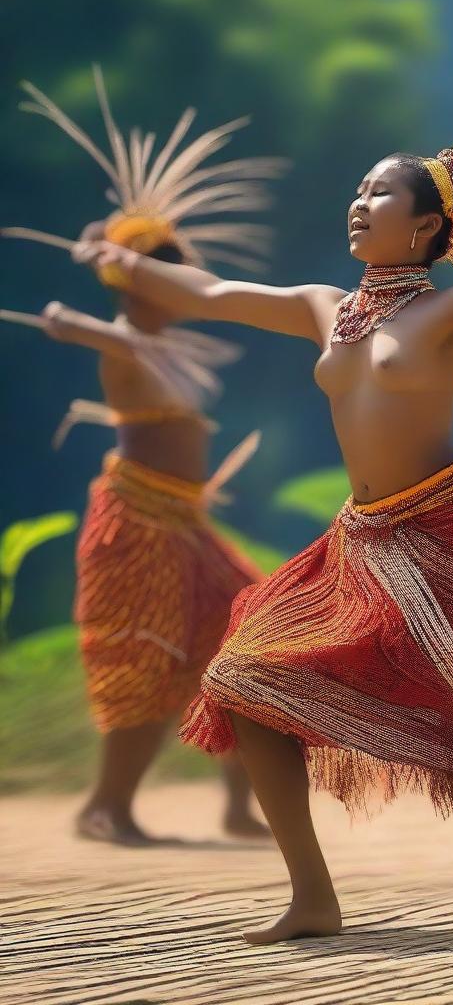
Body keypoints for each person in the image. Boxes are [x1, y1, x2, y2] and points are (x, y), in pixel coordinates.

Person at [71, 50, 453, 942]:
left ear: (426, 228)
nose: (358, 204)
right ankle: (312, 895)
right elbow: (214, 293)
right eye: (358, 191)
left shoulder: (452, 313)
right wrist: (127, 264)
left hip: (445, 533)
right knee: (239, 684)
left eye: (378, 196)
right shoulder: (325, 305)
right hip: (357, 540)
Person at [5, 66, 287, 844]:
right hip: (141, 527)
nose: (186, 286)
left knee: (248, 641)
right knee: (147, 661)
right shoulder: (128, 345)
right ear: (136, 282)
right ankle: (108, 806)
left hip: (185, 527)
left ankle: (237, 803)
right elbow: (89, 326)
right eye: (168, 274)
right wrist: (83, 304)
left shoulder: (161, 346)